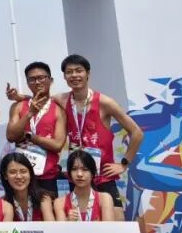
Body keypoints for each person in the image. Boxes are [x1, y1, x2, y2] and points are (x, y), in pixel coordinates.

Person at [58, 54, 143, 213]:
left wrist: (123, 164)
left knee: (116, 220)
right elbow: (38, 101)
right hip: (76, 176)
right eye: (69, 72)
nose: (74, 75)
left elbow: (137, 133)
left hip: (102, 175)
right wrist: (20, 97)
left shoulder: (105, 103)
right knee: (79, 221)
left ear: (88, 73)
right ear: (64, 76)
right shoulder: (61, 100)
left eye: (79, 70)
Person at [5, 62, 66, 197]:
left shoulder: (59, 110)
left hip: (47, 175)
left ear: (51, 80)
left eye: (41, 78)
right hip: (20, 175)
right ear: (27, 83)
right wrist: (29, 114)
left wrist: (29, 136)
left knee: (47, 209)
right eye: (32, 79)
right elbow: (11, 136)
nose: (37, 82)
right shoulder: (18, 106)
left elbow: (57, 145)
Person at [54, 150, 114, 222]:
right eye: (74, 169)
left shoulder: (105, 199)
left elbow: (109, 229)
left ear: (92, 174)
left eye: (85, 169)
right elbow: (60, 229)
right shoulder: (59, 203)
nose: (79, 174)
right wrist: (67, 221)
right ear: (69, 173)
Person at [0, 152, 54, 222]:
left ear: (30, 174)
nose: (19, 176)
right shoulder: (2, 203)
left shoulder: (43, 198)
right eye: (13, 172)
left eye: (23, 171)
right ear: (5, 176)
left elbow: (51, 227)